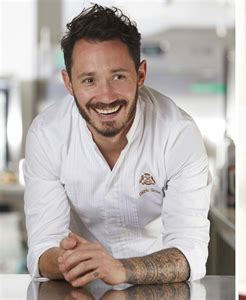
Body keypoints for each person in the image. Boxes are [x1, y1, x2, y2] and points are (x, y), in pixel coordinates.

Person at [23, 4, 211, 287]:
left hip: (156, 286)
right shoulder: (47, 135)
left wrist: (120, 269)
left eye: (118, 76)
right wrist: (65, 260)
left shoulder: (178, 134)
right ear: (68, 83)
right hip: (77, 286)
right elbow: (43, 247)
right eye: (89, 80)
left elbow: (190, 252)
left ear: (141, 74)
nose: (106, 96)